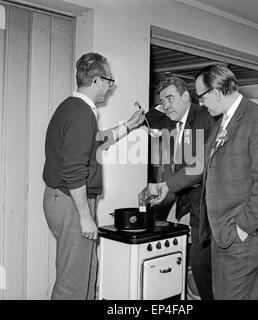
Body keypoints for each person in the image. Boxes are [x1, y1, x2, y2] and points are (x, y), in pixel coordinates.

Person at [42, 52, 144, 300]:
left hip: (63, 198)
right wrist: (85, 217)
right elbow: (74, 170)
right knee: (72, 283)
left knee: (86, 270)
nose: (110, 88)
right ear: (97, 80)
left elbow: (95, 141)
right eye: (109, 82)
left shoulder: (74, 108)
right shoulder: (80, 113)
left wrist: (128, 125)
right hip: (71, 200)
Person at [191, 64, 258, 299]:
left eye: (201, 97)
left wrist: (243, 228)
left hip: (245, 232)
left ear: (217, 93)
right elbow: (205, 165)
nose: (200, 103)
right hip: (224, 230)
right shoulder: (222, 122)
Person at [147, 76, 216, 299]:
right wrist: (165, 105)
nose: (166, 105)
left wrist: (169, 185)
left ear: (186, 96)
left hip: (210, 202)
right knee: (199, 262)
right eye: (162, 100)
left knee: (204, 264)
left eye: (171, 98)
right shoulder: (171, 120)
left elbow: (204, 163)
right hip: (192, 201)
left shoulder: (205, 117)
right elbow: (149, 117)